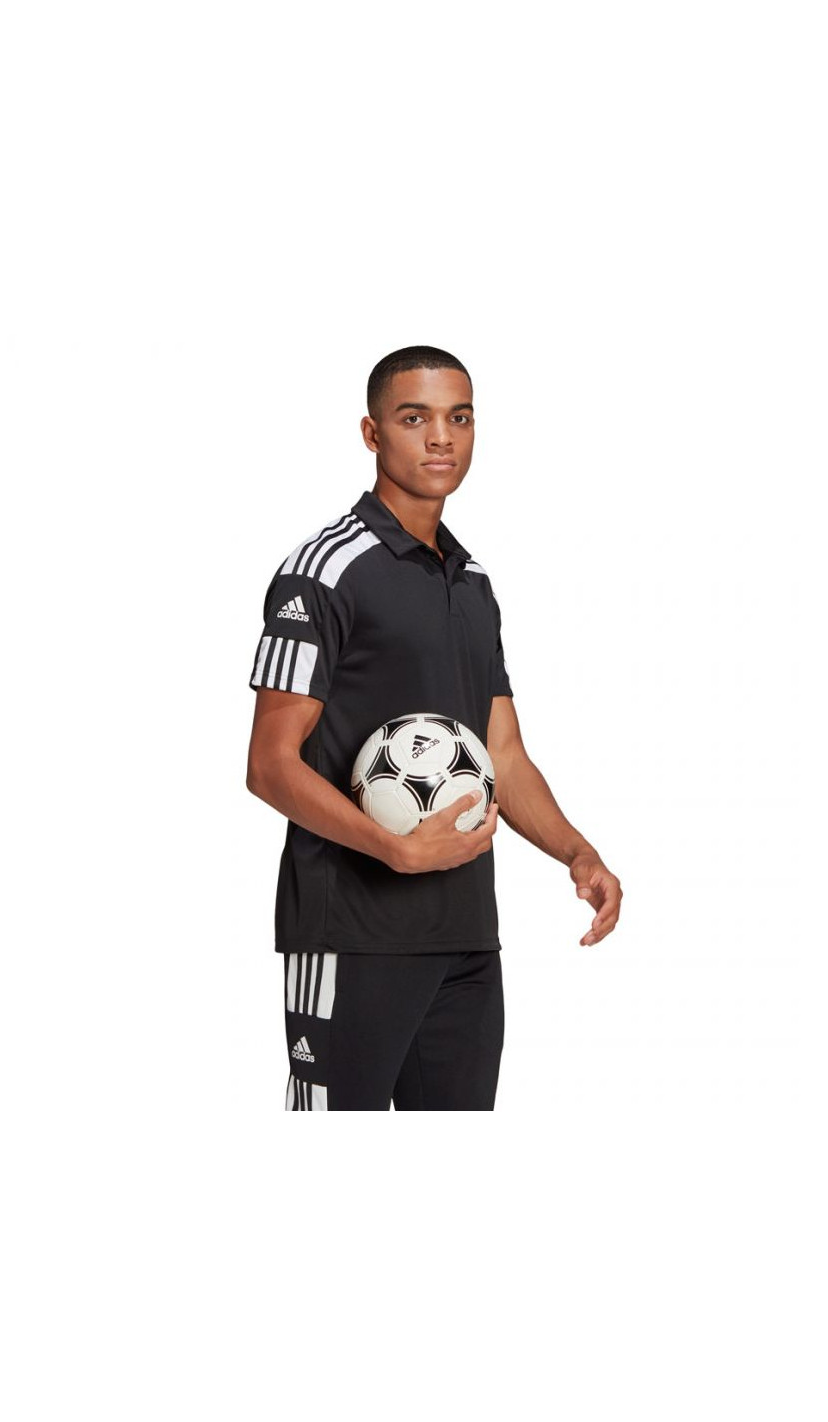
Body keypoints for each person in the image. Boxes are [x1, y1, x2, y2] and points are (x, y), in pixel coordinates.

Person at [246, 345, 622, 1110]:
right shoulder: (321, 571)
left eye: (460, 417)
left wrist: (577, 851)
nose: (441, 437)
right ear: (372, 432)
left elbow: (503, 753)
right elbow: (270, 765)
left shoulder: (472, 582)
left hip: (465, 939)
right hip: (352, 934)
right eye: (414, 418)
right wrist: (394, 848)